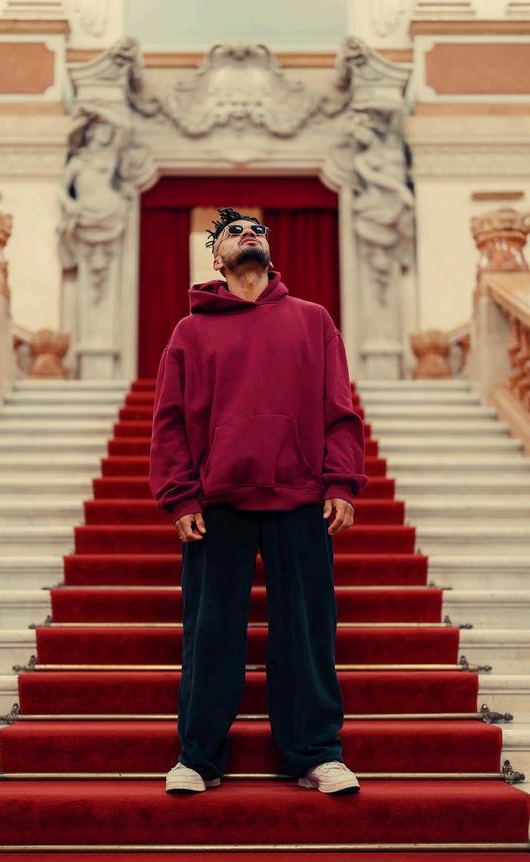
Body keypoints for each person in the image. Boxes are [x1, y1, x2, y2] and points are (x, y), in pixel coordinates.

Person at [148, 207, 368, 797]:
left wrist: (341, 483)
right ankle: (198, 757)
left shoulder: (313, 320)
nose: (249, 234)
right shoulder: (189, 332)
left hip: (301, 497)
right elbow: (169, 421)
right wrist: (180, 497)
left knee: (307, 632)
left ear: (270, 253)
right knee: (211, 633)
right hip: (218, 499)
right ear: (216, 258)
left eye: (258, 230)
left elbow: (339, 409)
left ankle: (317, 754)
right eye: (233, 231)